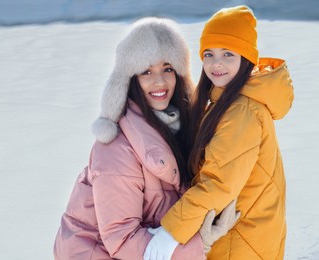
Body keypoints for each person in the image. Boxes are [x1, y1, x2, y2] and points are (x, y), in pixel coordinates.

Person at [53, 17, 240, 260]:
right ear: (130, 79)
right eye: (146, 71)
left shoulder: (181, 128)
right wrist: (199, 243)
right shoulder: (116, 148)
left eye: (167, 69)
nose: (159, 81)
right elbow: (121, 239)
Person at [144, 5, 294, 260]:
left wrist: (170, 233)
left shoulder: (242, 112)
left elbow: (218, 184)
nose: (216, 64)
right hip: (245, 235)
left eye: (228, 54)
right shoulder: (224, 101)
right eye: (209, 54)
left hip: (241, 242)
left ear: (246, 59)